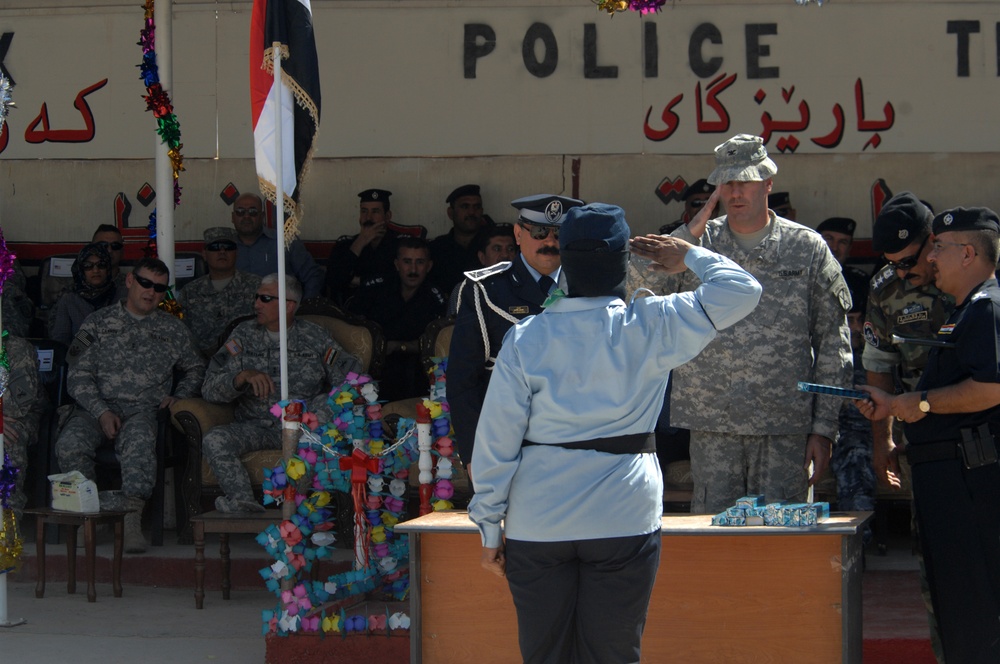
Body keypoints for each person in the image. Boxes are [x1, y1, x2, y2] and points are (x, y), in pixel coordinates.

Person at [469, 202, 761, 664]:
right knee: (613, 655)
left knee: (544, 655)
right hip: (623, 517)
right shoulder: (653, 323)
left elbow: (496, 441)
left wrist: (488, 526)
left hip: (539, 519)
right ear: (625, 258)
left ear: (564, 257)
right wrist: (688, 255)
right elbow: (742, 290)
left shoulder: (527, 337)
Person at [630, 134, 852, 514]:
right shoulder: (697, 246)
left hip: (784, 424)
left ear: (768, 182)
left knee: (783, 541)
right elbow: (636, 291)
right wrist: (687, 235)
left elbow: (833, 342)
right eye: (727, 182)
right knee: (716, 543)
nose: (735, 192)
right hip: (715, 423)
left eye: (745, 181)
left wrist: (824, 428)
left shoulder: (806, 247)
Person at [856, 206, 1000, 664]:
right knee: (951, 592)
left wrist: (915, 404)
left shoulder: (985, 303)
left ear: (967, 252)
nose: (926, 261)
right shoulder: (951, 305)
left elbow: (990, 386)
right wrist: (892, 434)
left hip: (974, 471)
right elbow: (884, 369)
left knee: (976, 595)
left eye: (935, 249)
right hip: (940, 464)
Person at [56, 258, 206, 552]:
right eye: (145, 283)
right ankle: (87, 517)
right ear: (129, 281)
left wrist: (180, 395)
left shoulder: (173, 329)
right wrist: (101, 412)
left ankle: (130, 520)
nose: (151, 292)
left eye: (159, 288)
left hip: (143, 411)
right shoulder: (96, 323)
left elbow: (196, 368)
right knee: (69, 444)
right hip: (94, 408)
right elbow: (76, 375)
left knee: (139, 444)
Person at [863, 192, 956, 661]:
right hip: (929, 434)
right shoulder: (886, 290)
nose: (904, 273)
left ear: (933, 241)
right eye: (893, 265)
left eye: (909, 261)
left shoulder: (976, 276)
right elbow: (879, 369)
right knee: (937, 558)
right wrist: (885, 442)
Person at [201, 274, 361, 513]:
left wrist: (319, 410)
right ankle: (243, 503)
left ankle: (294, 506)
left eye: (265, 298)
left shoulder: (314, 337)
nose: (256, 304)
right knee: (214, 439)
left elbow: (352, 382)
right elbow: (209, 388)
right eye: (256, 297)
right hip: (254, 427)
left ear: (289, 305)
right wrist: (241, 377)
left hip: (300, 430)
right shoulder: (243, 335)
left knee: (320, 427)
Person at [448, 194, 583, 473]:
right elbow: (463, 381)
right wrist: (474, 454)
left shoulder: (588, 289)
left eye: (559, 233)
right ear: (518, 234)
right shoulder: (485, 290)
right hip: (507, 443)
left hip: (575, 443)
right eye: (539, 232)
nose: (549, 242)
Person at [348, 237, 446, 401]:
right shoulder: (374, 288)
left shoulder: (435, 298)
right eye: (407, 261)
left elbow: (439, 343)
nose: (413, 269)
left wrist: (399, 347)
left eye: (420, 262)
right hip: (373, 365)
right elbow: (351, 330)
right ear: (396, 264)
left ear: (429, 266)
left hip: (418, 370)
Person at [176, 227, 262, 358]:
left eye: (228, 247)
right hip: (201, 364)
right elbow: (181, 334)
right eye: (215, 247)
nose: (222, 251)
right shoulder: (189, 292)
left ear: (237, 252)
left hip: (247, 361)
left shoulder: (257, 286)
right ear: (204, 254)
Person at [230, 192, 324, 299]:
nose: (246, 216)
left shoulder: (285, 241)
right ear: (233, 217)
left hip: (280, 312)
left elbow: (313, 276)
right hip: (237, 313)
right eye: (240, 211)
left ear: (263, 216)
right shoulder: (224, 248)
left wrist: (304, 308)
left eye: (253, 212)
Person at [324, 188, 403, 307]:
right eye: (364, 211)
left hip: (391, 309)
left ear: (387, 216)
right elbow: (333, 280)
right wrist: (360, 242)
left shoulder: (401, 244)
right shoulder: (346, 244)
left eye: (375, 211)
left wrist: (358, 280)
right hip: (353, 313)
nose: (368, 217)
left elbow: (403, 279)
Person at [2, 332, 45, 521]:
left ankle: (7, 530)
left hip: (15, 419)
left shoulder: (17, 348)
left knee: (7, 438)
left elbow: (18, 406)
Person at [47, 243, 118, 346]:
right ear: (81, 270)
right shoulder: (69, 300)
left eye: (101, 264)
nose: (96, 270)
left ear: (108, 269)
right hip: (80, 358)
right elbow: (61, 342)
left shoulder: (122, 296)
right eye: (88, 266)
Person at [429, 184, 489, 293]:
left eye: (476, 207)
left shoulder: (493, 246)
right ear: (450, 213)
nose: (471, 212)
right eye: (465, 207)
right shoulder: (437, 248)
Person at [447, 222, 517, 316]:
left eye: (510, 249)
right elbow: (453, 328)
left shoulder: (526, 285)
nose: (505, 255)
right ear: (482, 257)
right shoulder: (465, 289)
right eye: (497, 249)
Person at [817, 216, 870, 305]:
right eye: (829, 238)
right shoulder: (801, 276)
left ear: (849, 248)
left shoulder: (860, 282)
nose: (834, 247)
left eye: (842, 242)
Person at [92, 224, 129, 299]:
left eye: (115, 246)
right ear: (91, 250)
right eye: (103, 245)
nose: (109, 250)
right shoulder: (74, 289)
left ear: (122, 251)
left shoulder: (132, 287)